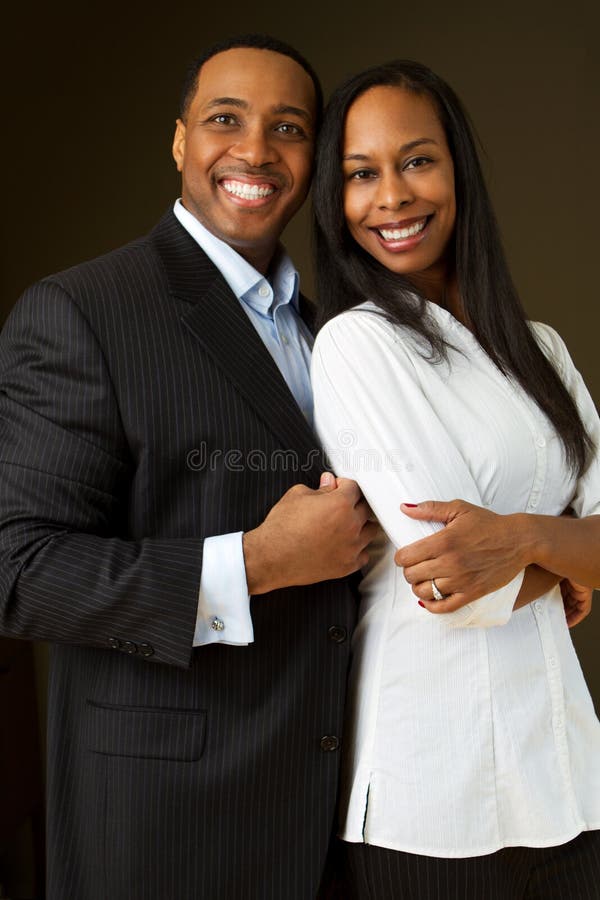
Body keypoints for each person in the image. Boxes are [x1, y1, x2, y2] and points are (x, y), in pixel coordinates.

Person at [0, 34, 380, 900]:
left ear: (313, 158)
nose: (254, 150)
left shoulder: (337, 335)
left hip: (327, 812)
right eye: (225, 120)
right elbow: (16, 569)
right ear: (180, 141)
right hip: (166, 823)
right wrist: (255, 563)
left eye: (287, 127)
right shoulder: (81, 311)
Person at [311, 60, 600, 899]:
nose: (391, 196)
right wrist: (572, 559)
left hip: (569, 775)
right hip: (431, 798)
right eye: (360, 174)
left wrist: (524, 544)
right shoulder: (359, 346)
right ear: (337, 201)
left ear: (457, 168)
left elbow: (503, 563)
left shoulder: (541, 348)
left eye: (416, 160)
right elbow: (454, 587)